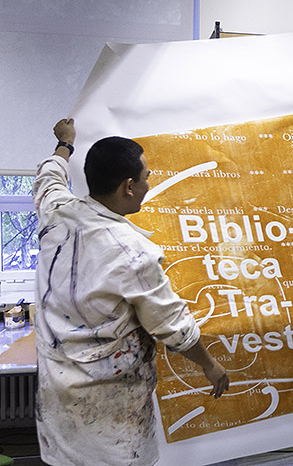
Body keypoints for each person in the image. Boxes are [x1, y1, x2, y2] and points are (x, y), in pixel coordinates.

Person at [33, 118, 230, 466]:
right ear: (128, 186)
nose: (148, 183)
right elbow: (173, 327)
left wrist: (65, 143)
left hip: (57, 406)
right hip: (110, 417)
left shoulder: (57, 213)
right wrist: (210, 365)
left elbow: (49, 176)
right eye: (146, 177)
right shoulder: (131, 253)